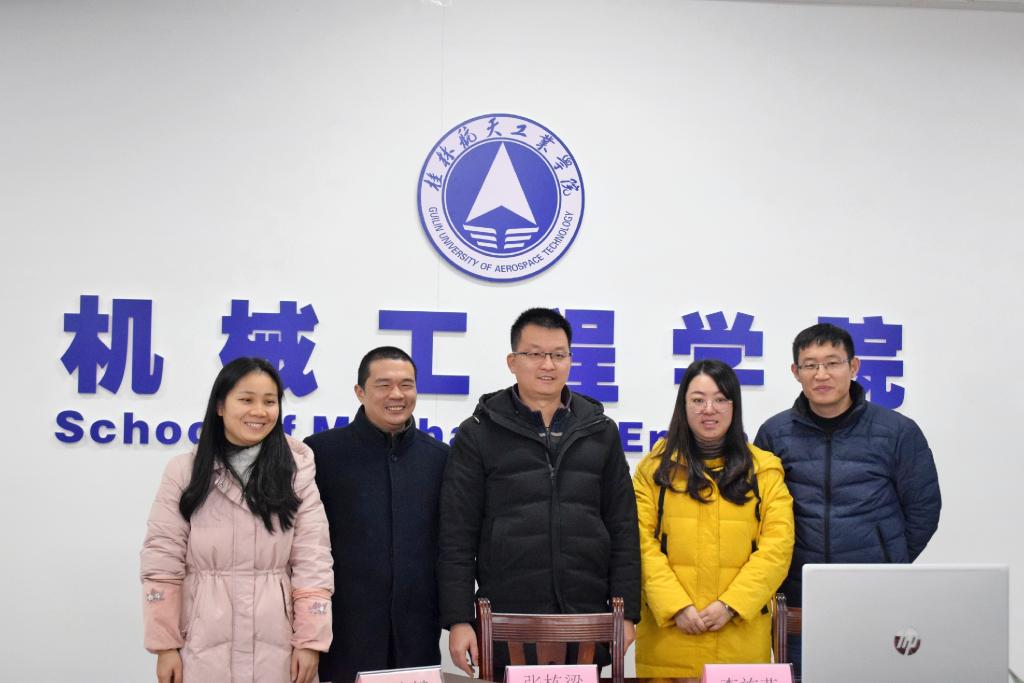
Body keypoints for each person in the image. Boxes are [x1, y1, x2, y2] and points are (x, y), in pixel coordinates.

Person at [438, 307, 641, 677]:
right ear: (512, 362)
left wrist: (626, 613)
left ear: (570, 361)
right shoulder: (479, 432)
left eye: (558, 355)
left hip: (587, 615)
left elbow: (623, 525)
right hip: (506, 616)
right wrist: (458, 619)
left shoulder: (600, 430)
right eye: (535, 354)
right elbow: (456, 533)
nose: (548, 364)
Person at [754, 323, 941, 672]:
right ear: (795, 372)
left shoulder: (897, 431)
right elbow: (760, 513)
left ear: (853, 366)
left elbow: (923, 509)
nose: (821, 374)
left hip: (876, 595)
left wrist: (889, 559)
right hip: (799, 596)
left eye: (832, 363)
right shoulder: (774, 433)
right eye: (810, 365)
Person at [140, 357, 333, 683]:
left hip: (279, 647)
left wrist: (310, 641)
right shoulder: (184, 472)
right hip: (201, 645)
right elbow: (162, 561)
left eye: (269, 402)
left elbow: (313, 561)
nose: (259, 411)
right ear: (220, 406)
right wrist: (165, 645)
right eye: (246, 400)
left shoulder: (295, 473)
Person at [633, 359, 794, 677]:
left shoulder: (764, 470)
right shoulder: (654, 470)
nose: (709, 409)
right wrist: (676, 605)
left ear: (734, 406)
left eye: (720, 399)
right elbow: (639, 543)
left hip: (740, 643)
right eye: (698, 400)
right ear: (683, 405)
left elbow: (777, 547)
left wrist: (732, 604)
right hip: (669, 642)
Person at [303, 347, 449, 683]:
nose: (396, 395)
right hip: (344, 633)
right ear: (360, 392)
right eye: (383, 385)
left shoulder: (439, 458)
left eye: (406, 385)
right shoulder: (321, 453)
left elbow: (450, 545)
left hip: (417, 635)